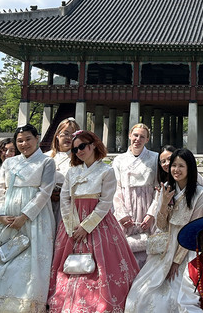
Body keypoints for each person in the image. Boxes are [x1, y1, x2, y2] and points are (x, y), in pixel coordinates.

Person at [47, 130, 140, 313]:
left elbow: (105, 202)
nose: (79, 151)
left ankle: (99, 300)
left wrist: (86, 226)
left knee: (102, 267)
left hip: (100, 224)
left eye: (82, 146)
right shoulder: (72, 172)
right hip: (71, 224)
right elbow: (65, 198)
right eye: (75, 149)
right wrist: (72, 225)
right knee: (67, 266)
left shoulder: (106, 171)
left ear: (93, 145)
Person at [0, 124, 56, 312]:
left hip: (35, 219)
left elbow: (44, 192)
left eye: (28, 139)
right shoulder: (10, 163)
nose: (24, 144)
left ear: (37, 139)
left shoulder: (47, 162)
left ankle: (21, 302)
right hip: (6, 218)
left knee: (27, 262)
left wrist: (25, 216)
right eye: (20, 140)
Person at [124, 148, 203, 312]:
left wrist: (176, 261)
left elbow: (193, 229)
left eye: (181, 166)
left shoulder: (199, 193)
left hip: (186, 246)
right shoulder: (167, 188)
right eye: (174, 165)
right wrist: (163, 203)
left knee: (179, 290)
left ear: (189, 168)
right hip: (165, 245)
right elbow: (162, 225)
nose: (176, 170)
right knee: (144, 291)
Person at [113, 123, 158, 267]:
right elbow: (116, 188)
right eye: (136, 135)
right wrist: (122, 214)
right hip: (126, 203)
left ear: (147, 140)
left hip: (147, 203)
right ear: (129, 136)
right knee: (123, 250)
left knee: (148, 248)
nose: (138, 139)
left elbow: (159, 189)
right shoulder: (119, 160)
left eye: (142, 137)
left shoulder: (155, 158)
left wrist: (151, 214)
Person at [49, 117, 81, 224]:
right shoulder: (46, 157)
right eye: (65, 133)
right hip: (46, 205)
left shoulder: (80, 159)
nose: (69, 137)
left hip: (71, 205)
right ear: (57, 135)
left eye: (73, 135)